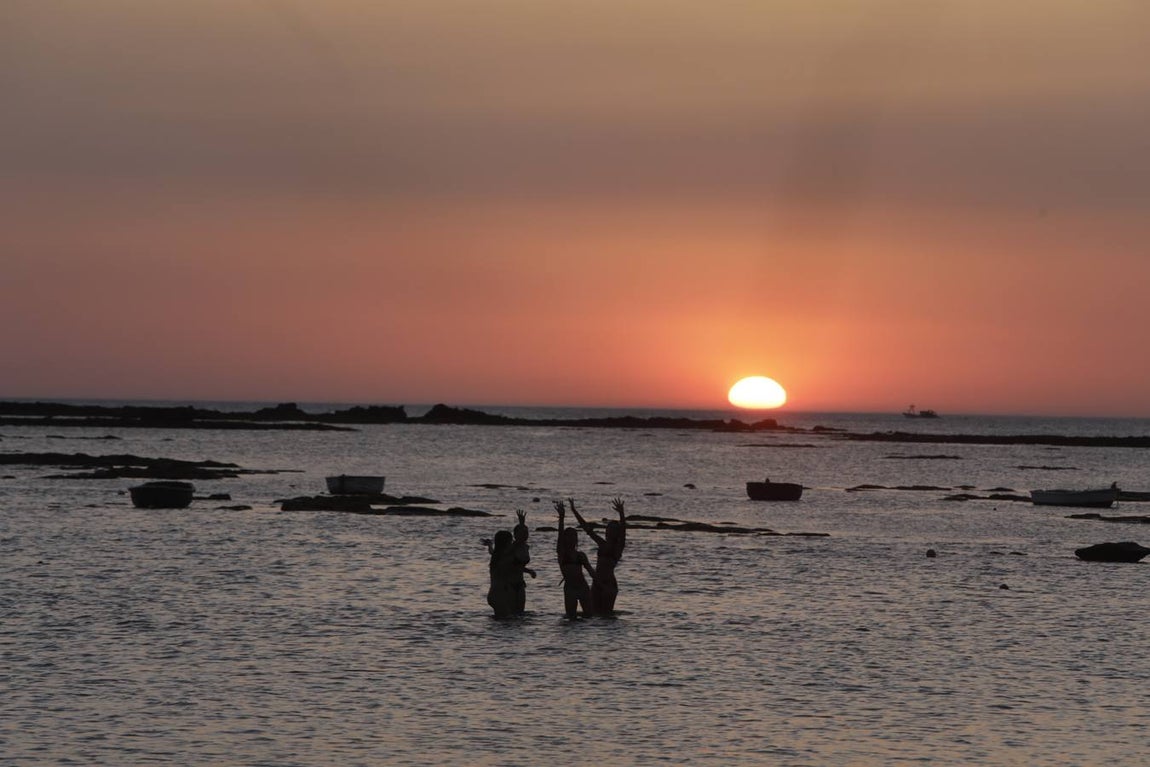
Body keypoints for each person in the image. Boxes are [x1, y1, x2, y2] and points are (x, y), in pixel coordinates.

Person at [569, 497, 627, 615]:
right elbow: (586, 528)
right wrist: (574, 510)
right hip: (596, 583)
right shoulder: (602, 543)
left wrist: (621, 513)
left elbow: (624, 532)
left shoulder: (618, 548)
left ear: (616, 532)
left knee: (606, 616)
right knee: (593, 614)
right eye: (608, 528)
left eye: (611, 529)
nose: (608, 531)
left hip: (609, 585)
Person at [555, 500, 594, 619]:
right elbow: (560, 536)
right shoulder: (562, 553)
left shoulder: (580, 555)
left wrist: (601, 584)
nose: (571, 538)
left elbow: (591, 572)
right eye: (569, 536)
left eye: (574, 536)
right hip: (570, 588)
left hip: (583, 587)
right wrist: (562, 517)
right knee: (571, 618)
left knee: (589, 617)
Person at [481, 529, 517, 618]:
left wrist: (490, 545)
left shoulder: (496, 555)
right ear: (506, 543)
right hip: (499, 595)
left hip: (493, 594)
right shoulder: (503, 558)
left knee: (502, 622)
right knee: (506, 620)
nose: (512, 543)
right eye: (510, 541)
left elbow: (491, 551)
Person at [510, 509, 536, 614]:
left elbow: (518, 566)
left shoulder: (525, 547)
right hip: (509, 583)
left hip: (520, 583)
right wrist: (521, 523)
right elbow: (511, 565)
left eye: (527, 532)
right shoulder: (513, 547)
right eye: (523, 532)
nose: (526, 535)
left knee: (520, 614)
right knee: (511, 615)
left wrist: (529, 571)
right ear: (515, 535)